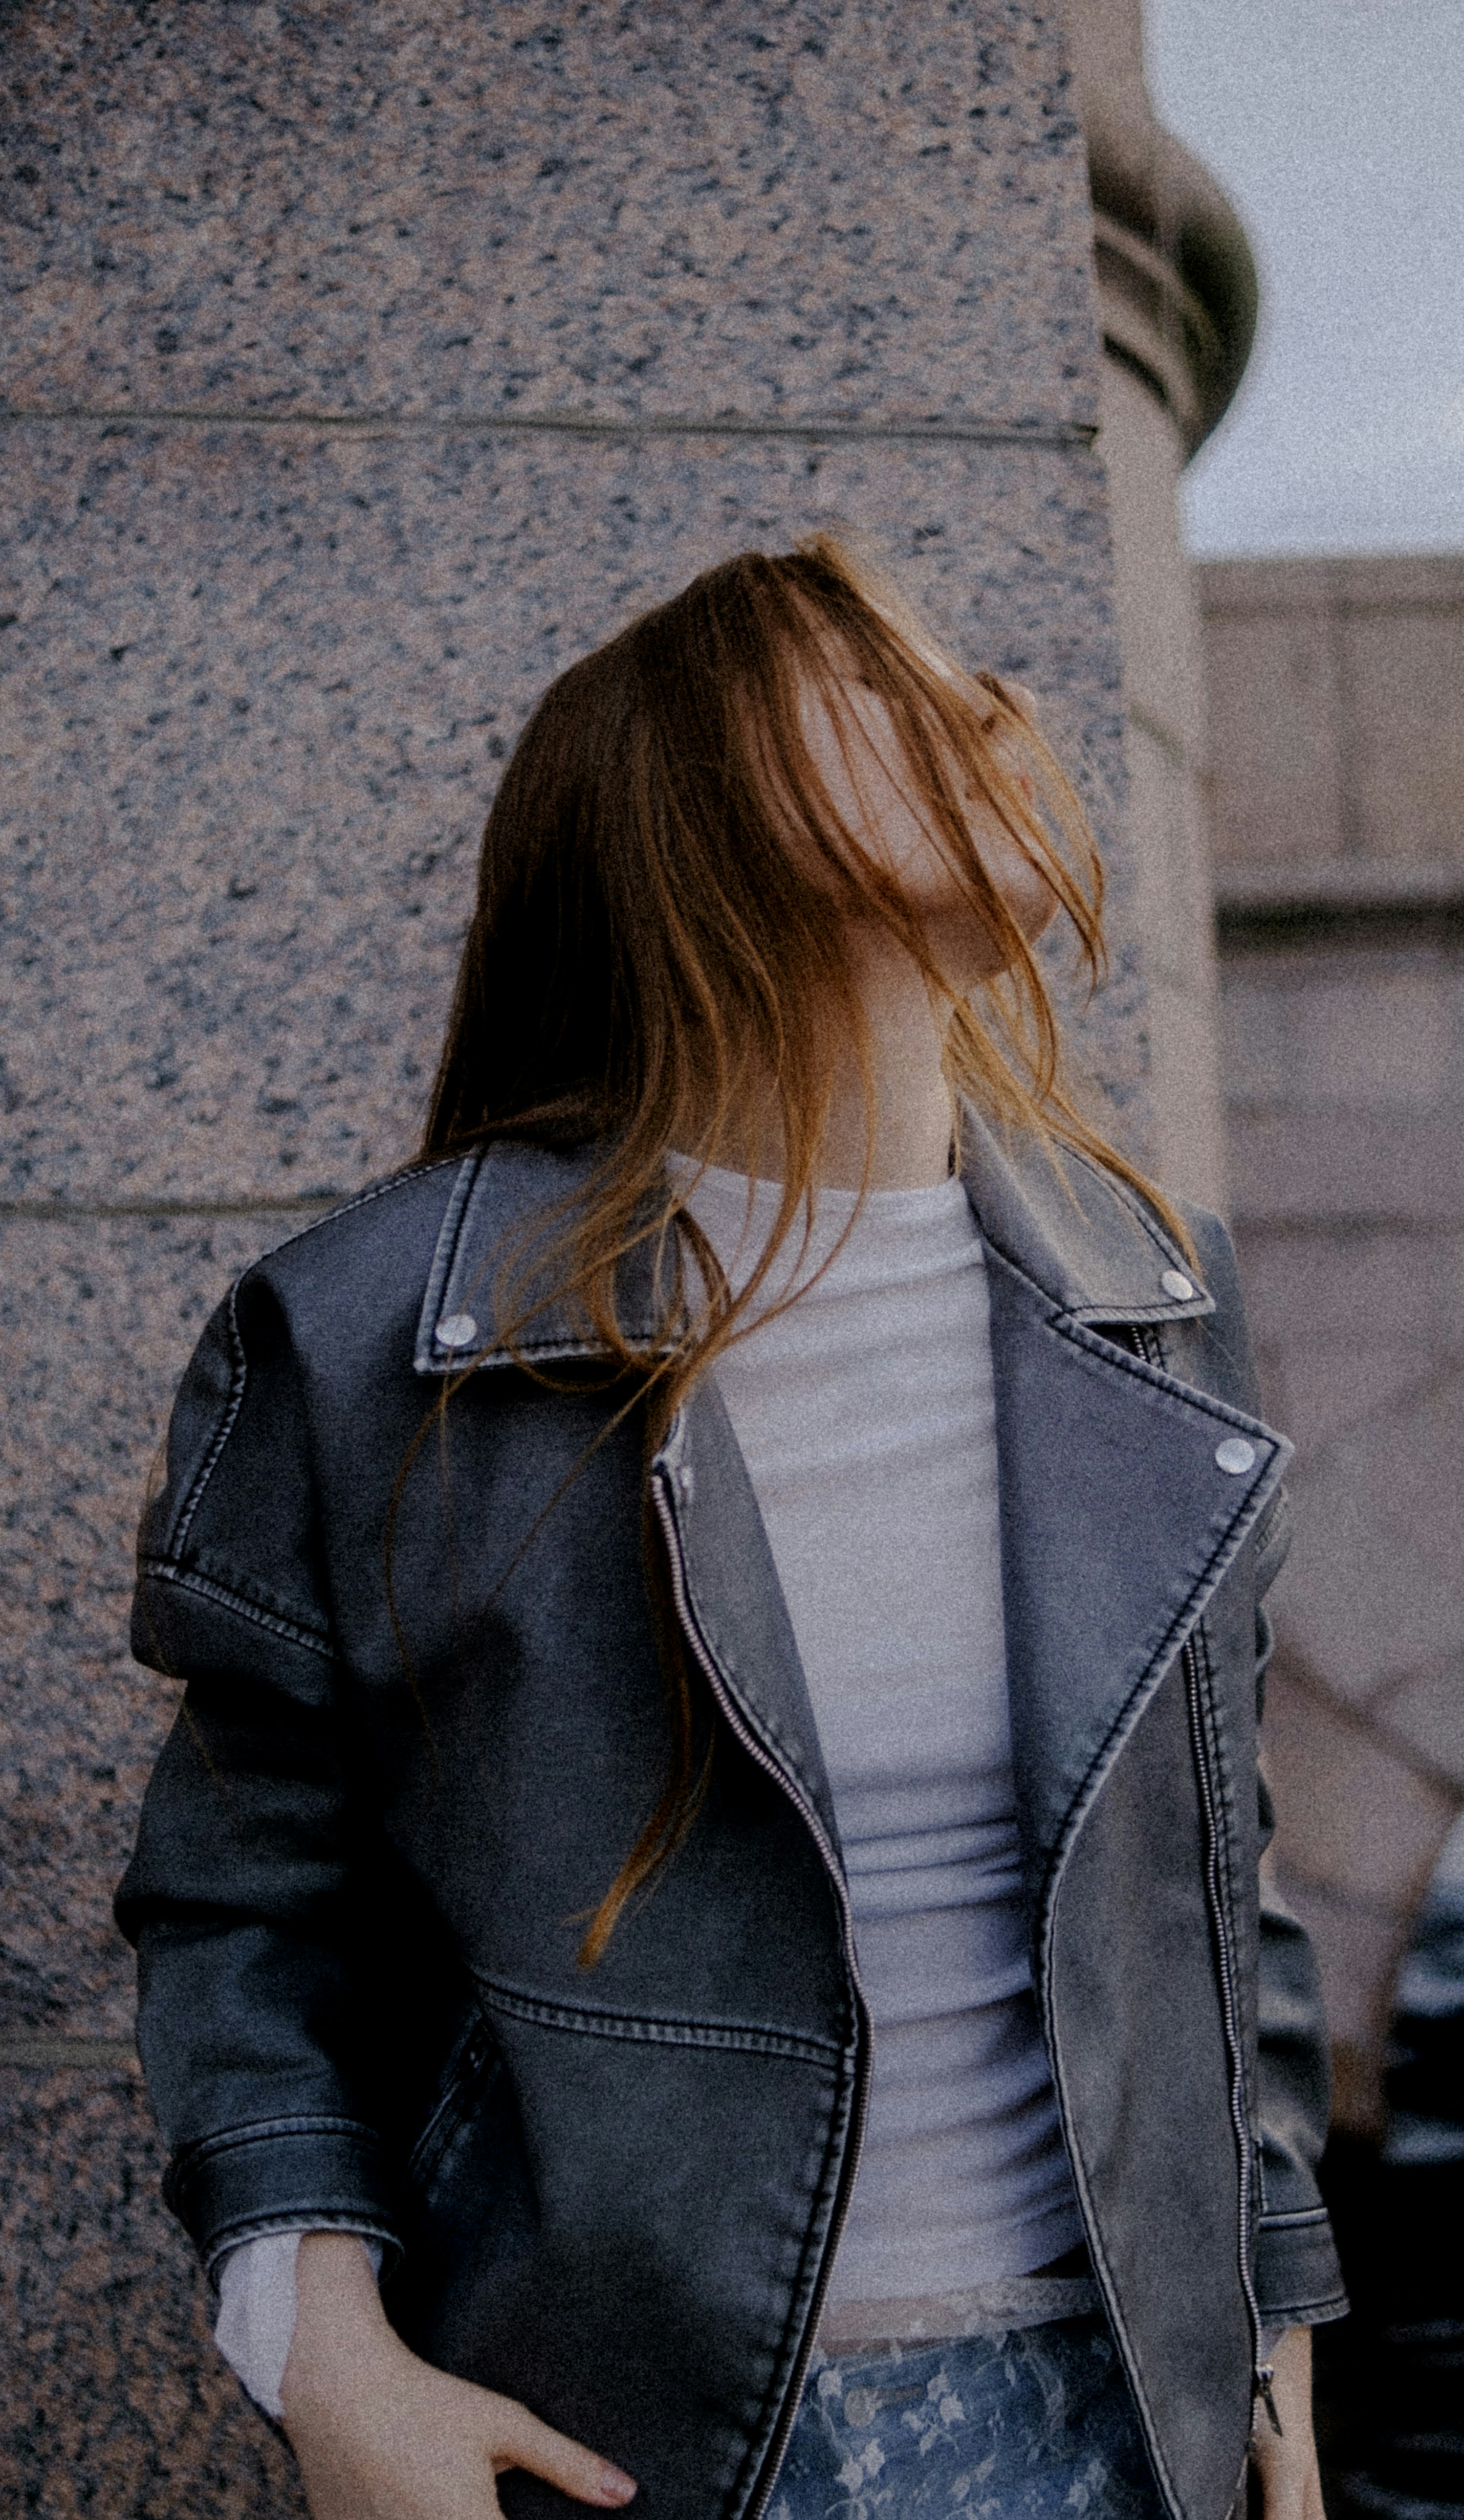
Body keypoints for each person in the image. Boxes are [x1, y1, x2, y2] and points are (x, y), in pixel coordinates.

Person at [115, 534, 1347, 2520]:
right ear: (690, 798)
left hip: (1127, 2432)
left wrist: (1274, 2382)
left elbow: (1219, 1892)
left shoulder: (1155, 1294)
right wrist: (328, 2366)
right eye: (881, 678)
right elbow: (242, 1923)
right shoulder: (373, 1339)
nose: (990, 709)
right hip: (631, 2450)